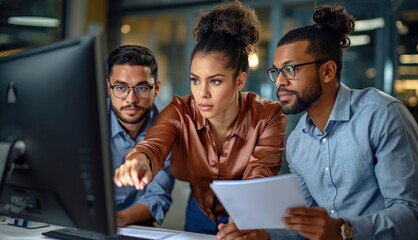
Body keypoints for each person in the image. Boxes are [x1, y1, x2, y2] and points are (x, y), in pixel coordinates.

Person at [217, 4, 418, 240]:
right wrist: (263, 235)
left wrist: (342, 230)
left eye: (289, 69)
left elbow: (413, 217)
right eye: (276, 72)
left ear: (328, 71)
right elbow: (305, 226)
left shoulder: (381, 115)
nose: (278, 82)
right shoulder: (298, 141)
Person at [113, 1, 287, 235]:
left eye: (215, 81)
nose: (202, 93)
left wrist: (244, 222)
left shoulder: (268, 115)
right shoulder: (179, 111)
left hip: (248, 211)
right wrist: (139, 159)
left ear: (239, 81)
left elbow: (259, 177)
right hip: (199, 210)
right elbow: (154, 144)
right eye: (195, 80)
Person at [106, 45, 175, 227]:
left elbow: (158, 197)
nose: (131, 99)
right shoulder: (88, 120)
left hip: (136, 225)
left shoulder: (168, 126)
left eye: (142, 88)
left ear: (156, 88)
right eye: (120, 87)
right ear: (108, 87)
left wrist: (119, 219)